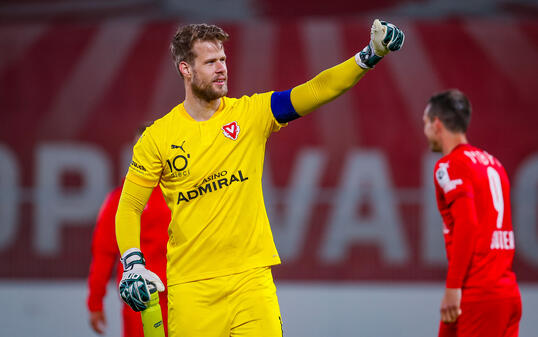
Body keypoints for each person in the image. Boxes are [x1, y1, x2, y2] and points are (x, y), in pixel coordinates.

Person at [115, 20, 404, 336]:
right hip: (192, 287)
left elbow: (319, 88)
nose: (221, 68)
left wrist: (370, 54)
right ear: (186, 69)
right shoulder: (157, 137)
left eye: (223, 59)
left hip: (251, 282)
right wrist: (133, 264)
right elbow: (129, 206)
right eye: (210, 62)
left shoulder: (252, 114)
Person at [423, 89, 522, 337]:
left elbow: (467, 224)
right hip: (507, 292)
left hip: (477, 294)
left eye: (425, 124)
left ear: (437, 125)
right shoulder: (495, 164)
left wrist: (453, 287)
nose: (424, 131)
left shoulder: (449, 166)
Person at [87, 126, 171, 337]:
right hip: (141, 297)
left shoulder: (184, 194)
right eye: (141, 148)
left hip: (186, 295)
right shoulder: (119, 200)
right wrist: (95, 302)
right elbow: (104, 252)